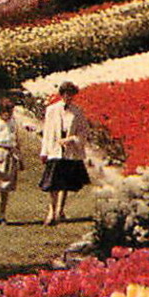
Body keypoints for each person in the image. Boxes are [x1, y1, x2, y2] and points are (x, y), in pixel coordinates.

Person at [38, 81, 89, 226]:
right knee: (53, 183)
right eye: (66, 94)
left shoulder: (77, 112)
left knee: (64, 183)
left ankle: (60, 210)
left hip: (69, 150)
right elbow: (47, 131)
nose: (68, 97)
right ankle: (52, 210)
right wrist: (44, 151)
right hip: (54, 149)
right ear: (62, 94)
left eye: (71, 95)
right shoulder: (52, 110)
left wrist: (72, 139)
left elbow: (84, 131)